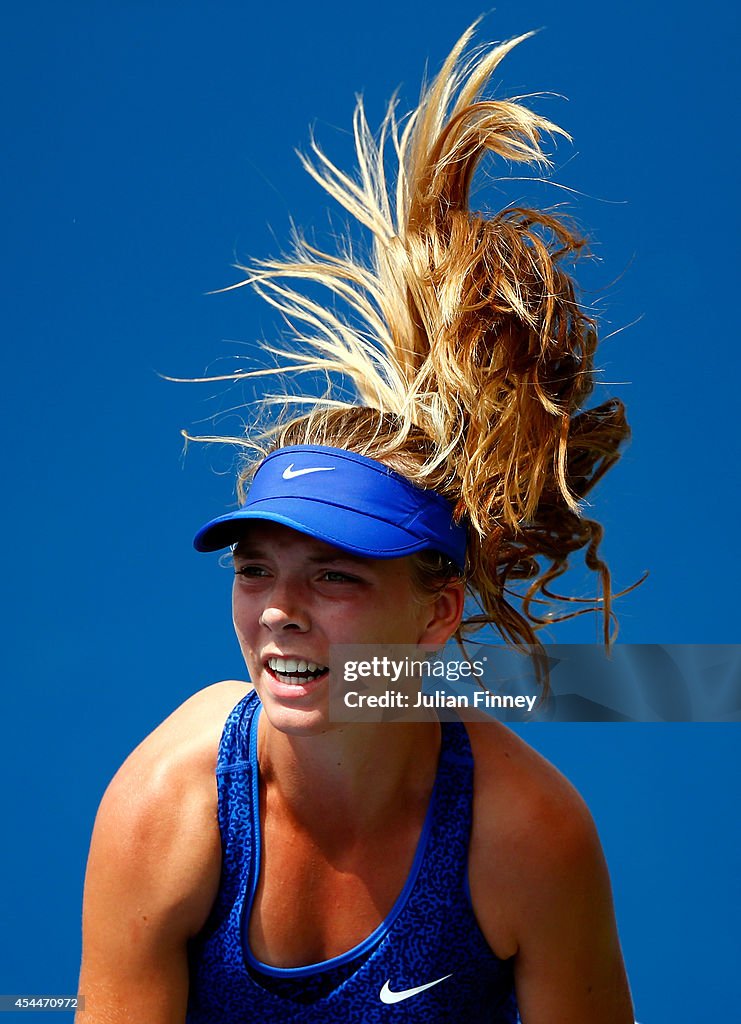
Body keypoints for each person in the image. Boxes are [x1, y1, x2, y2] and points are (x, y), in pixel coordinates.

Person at [76, 23, 635, 1023]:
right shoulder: (168, 804)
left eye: (334, 576)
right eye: (256, 569)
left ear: (434, 617)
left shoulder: (528, 835)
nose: (280, 610)